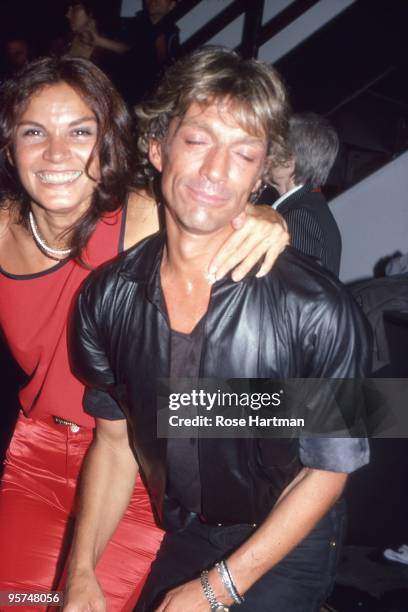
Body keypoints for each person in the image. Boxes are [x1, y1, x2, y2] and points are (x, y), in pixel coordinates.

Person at [65, 47, 371, 612]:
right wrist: (80, 572)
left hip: (289, 533)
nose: (215, 171)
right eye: (198, 139)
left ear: (261, 173)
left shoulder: (320, 307)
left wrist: (217, 588)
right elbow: (113, 445)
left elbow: (329, 468)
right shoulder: (107, 297)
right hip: (187, 529)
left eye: (244, 152)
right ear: (157, 146)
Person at [0, 55, 288, 611]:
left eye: (80, 131)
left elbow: (358, 418)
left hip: (134, 470)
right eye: (34, 132)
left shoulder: (145, 219)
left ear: (111, 141)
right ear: (10, 145)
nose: (57, 154)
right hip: (36, 457)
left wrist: (274, 218)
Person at [262, 112, 342, 276]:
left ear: (290, 162)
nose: (265, 155)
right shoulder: (307, 208)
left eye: (272, 148)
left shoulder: (299, 217)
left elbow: (291, 293)